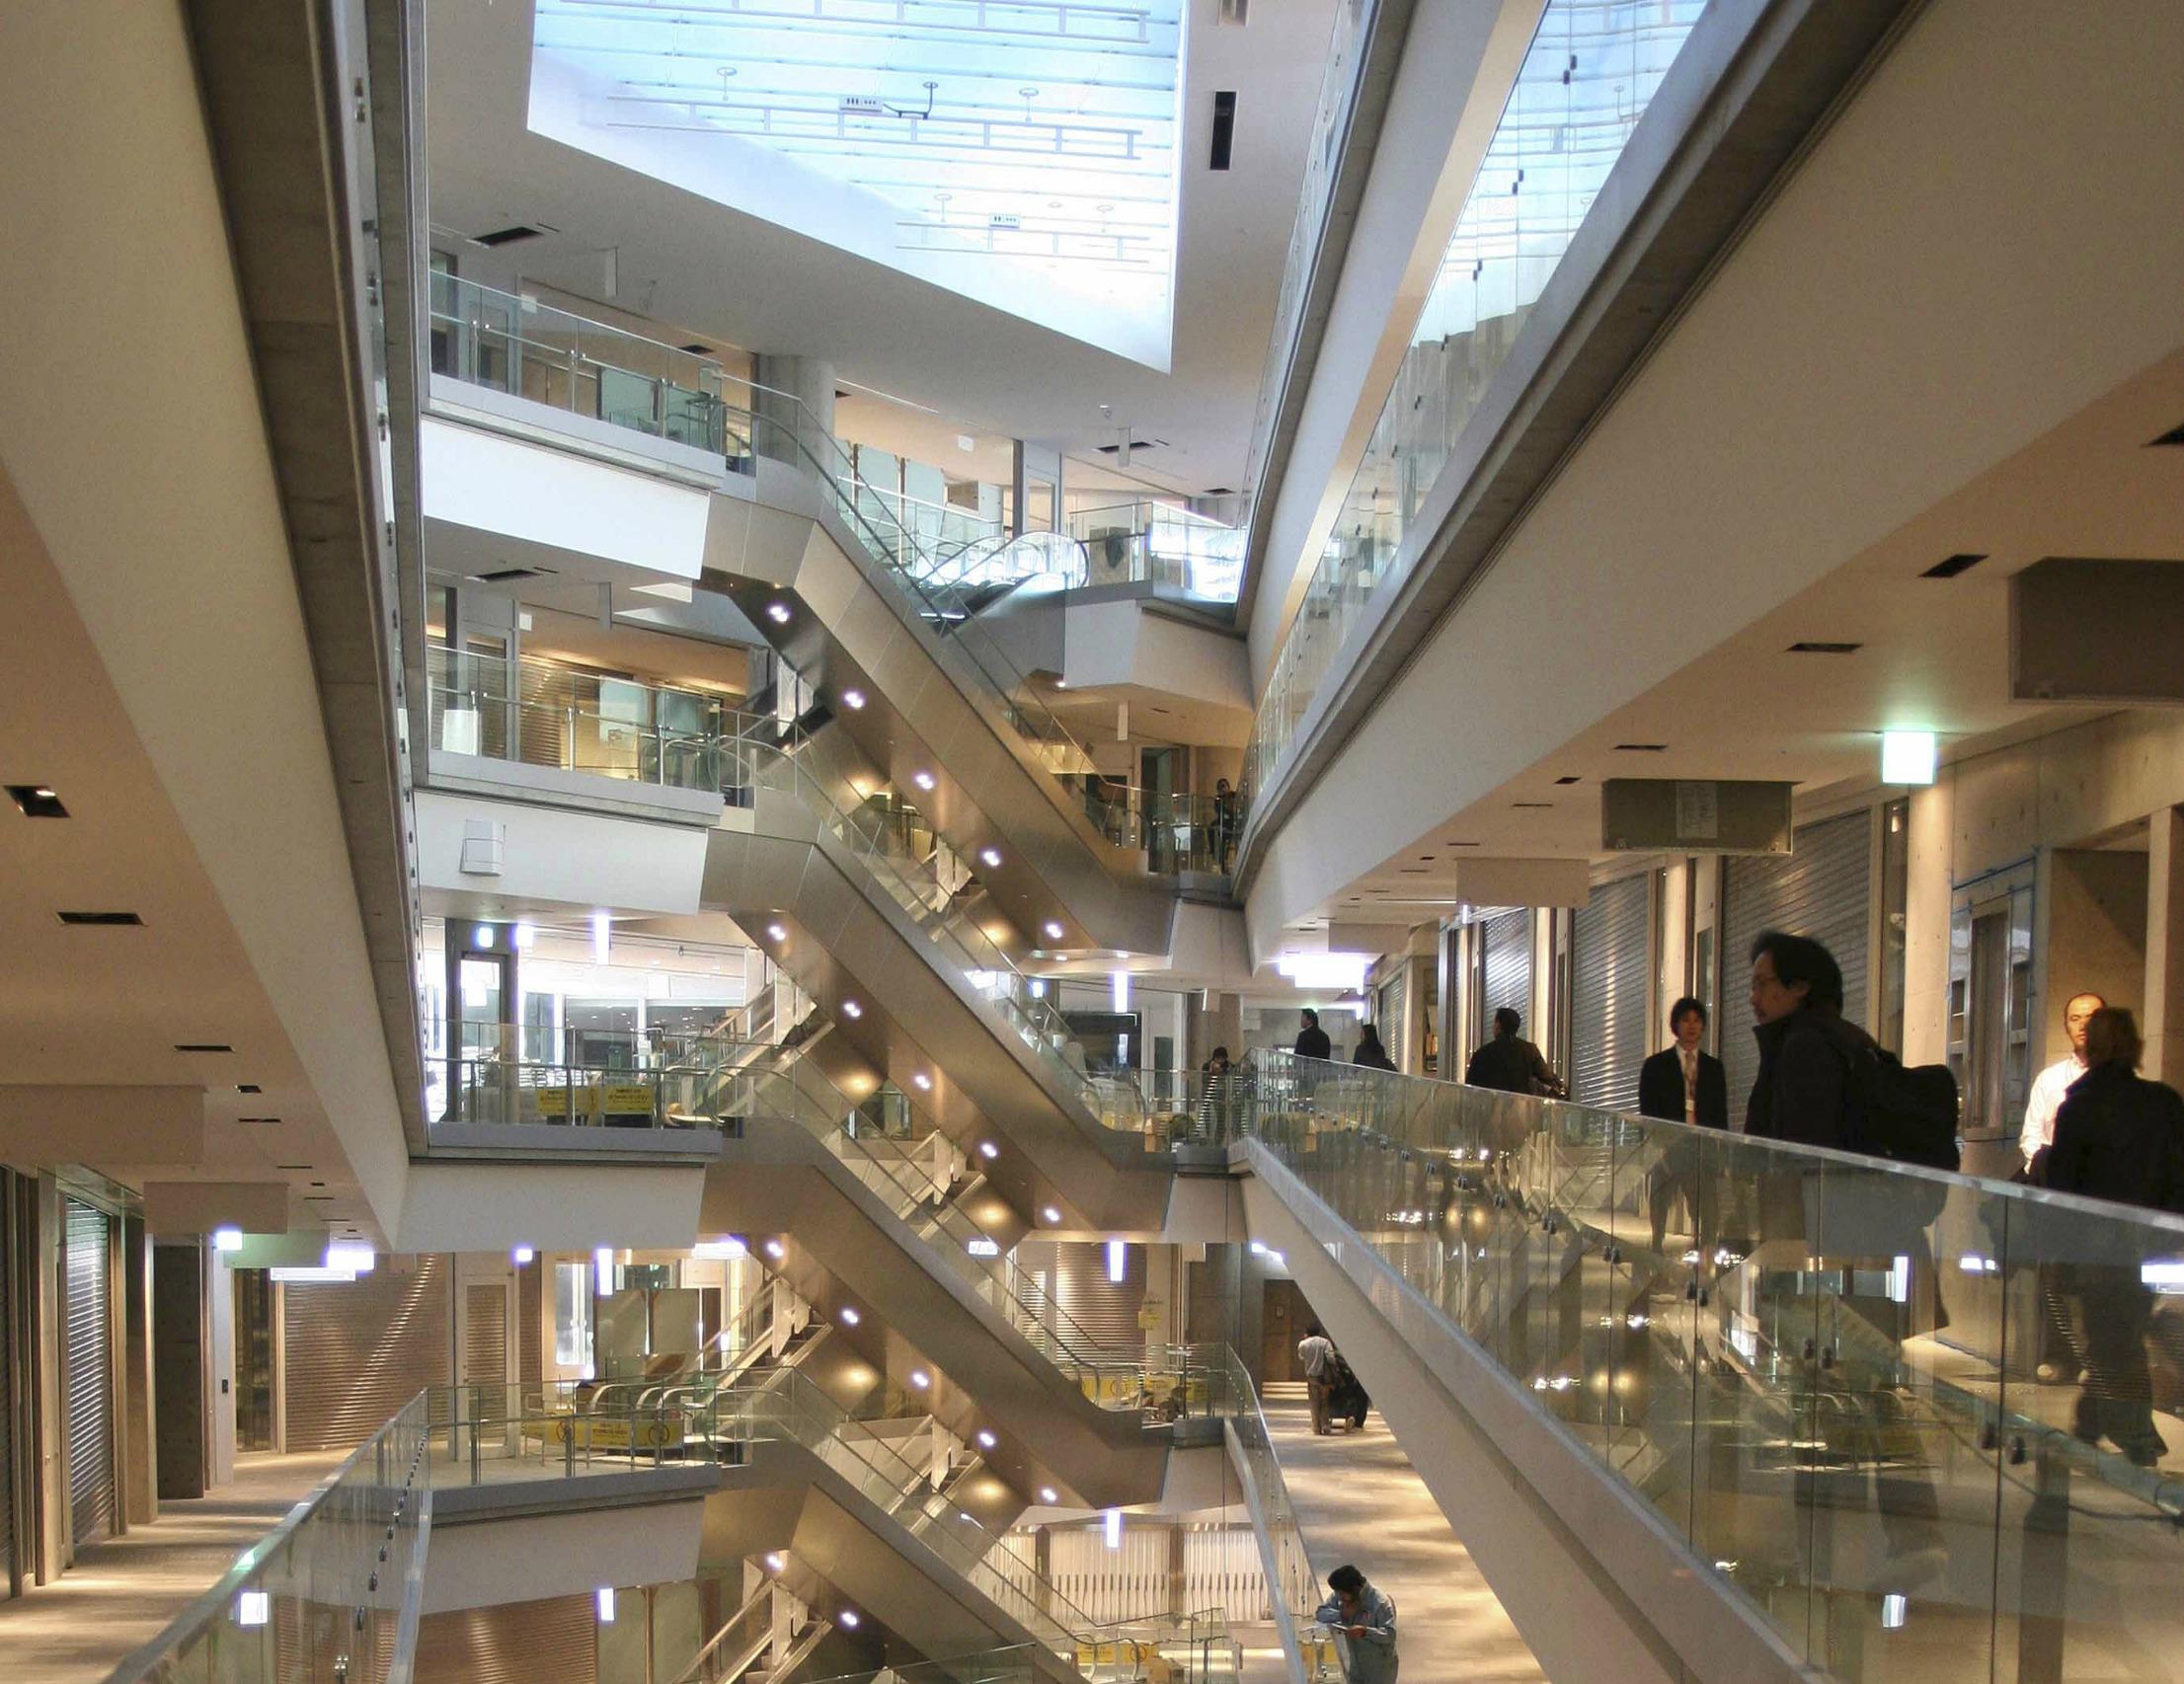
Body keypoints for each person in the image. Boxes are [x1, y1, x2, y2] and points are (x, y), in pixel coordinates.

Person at [2045, 1007, 2184, 1465]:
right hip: (2151, 1240)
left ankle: (2129, 1433)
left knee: (2111, 1338)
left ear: (2091, 1048)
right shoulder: (2163, 1103)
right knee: (2118, 1335)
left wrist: (2059, 1249)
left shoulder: (2078, 1108)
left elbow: (2064, 1188)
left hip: (2095, 1247)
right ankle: (2098, 1425)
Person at [2021, 990, 2104, 1381]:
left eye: (2092, 1016)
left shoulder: (2128, 1084)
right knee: (2054, 1281)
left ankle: (2097, 1361)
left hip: (2105, 1197)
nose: (2083, 1024)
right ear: (2065, 1024)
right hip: (2057, 1193)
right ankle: (2059, 1358)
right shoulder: (2050, 1079)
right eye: (2075, 1017)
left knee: (2100, 1281)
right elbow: (2031, 1137)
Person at [1744, 930, 1876, 1148]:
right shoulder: (1844, 1037)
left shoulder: (1806, 1049)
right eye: (1752, 986)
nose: (1753, 998)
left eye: (1761, 984)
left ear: (1800, 987)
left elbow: (1801, 1155)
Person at [1638, 997, 1727, 1251]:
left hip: (1701, 1149)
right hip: (1667, 1147)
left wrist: (1721, 1154)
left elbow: (1720, 1114)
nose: (1692, 1026)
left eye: (1697, 1020)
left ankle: (1707, 1256)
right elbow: (1648, 1110)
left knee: (1707, 1211)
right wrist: (1657, 1144)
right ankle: (1656, 1252)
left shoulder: (1713, 1068)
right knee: (1660, 1205)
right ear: (1675, 1025)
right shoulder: (1656, 1066)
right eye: (1686, 1020)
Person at [1313, 1565, 1397, 1683]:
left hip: (1379, 1669)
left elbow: (1390, 1635)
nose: (1340, 1598)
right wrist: (1341, 1614)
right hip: (1355, 1667)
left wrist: (1365, 1631)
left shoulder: (1380, 1603)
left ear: (1355, 1589)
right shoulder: (1340, 1596)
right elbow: (1321, 1613)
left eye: (1342, 1594)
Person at [1463, 1007, 1563, 1097]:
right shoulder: (1530, 1050)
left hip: (1492, 1109)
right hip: (1521, 1109)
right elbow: (1547, 1077)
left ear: (1498, 1025)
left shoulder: (1482, 1053)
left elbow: (1471, 1087)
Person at [1296, 1321, 1336, 1435]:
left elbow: (1301, 1357)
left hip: (1312, 1376)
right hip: (1324, 1377)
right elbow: (1331, 1358)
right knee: (1324, 1401)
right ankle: (1325, 1425)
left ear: (1307, 1333)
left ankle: (1316, 1428)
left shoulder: (1303, 1344)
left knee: (1314, 1402)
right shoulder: (1325, 1342)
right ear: (1319, 1332)